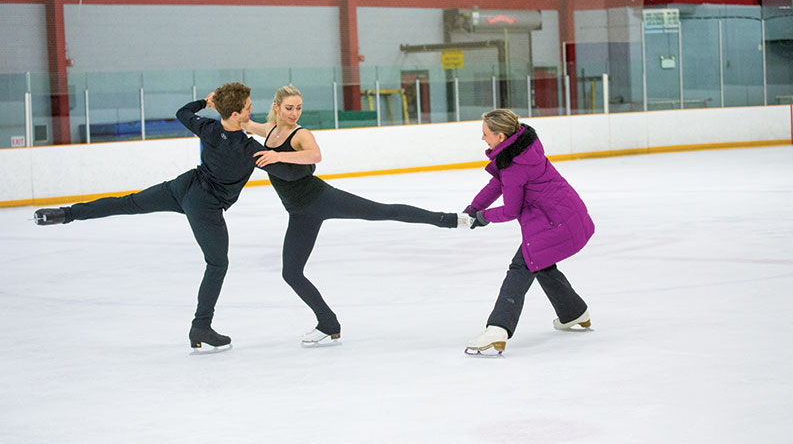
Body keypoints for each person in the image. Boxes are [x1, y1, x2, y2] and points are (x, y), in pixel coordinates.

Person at [33, 82, 269, 353]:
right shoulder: (250, 148)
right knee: (217, 264)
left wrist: (205, 103)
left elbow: (183, 113)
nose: (252, 109)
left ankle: (65, 214)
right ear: (237, 114)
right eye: (248, 107)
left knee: (128, 202)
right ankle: (201, 325)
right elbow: (286, 169)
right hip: (206, 205)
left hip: (184, 187)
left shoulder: (209, 128)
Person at [246, 85, 470, 347]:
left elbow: (315, 154)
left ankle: (447, 219)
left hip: (322, 199)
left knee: (383, 211)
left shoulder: (300, 134)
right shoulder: (270, 130)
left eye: (298, 108)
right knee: (291, 273)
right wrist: (216, 109)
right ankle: (328, 323)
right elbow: (246, 124)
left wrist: (277, 155)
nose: (295, 113)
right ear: (276, 107)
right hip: (299, 213)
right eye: (289, 108)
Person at [463, 109, 594, 356]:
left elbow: (511, 210)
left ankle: (497, 330)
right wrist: (473, 208)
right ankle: (574, 312)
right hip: (564, 214)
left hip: (555, 223)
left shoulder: (514, 166)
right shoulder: (520, 149)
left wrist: (483, 217)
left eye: (485, 134)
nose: (483, 139)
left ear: (501, 136)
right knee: (540, 263)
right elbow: (498, 184)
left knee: (522, 266)